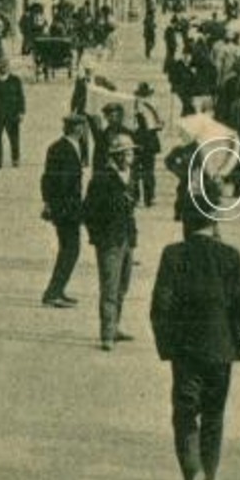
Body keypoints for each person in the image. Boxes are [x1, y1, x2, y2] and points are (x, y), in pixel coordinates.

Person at [150, 206, 240, 480]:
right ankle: (209, 472)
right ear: (213, 224)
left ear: (186, 225)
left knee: (185, 411)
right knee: (213, 412)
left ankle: (192, 471)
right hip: (222, 350)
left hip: (186, 351)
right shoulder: (231, 256)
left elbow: (160, 306)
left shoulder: (172, 255)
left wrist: (167, 347)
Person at [83, 132, 140, 351]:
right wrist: (99, 237)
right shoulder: (102, 178)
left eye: (131, 152)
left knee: (122, 287)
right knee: (109, 287)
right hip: (109, 241)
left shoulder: (129, 175)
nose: (131, 155)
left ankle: (115, 327)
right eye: (127, 153)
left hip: (126, 238)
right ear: (116, 155)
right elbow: (89, 210)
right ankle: (107, 334)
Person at [40, 114, 90, 308]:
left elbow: (46, 179)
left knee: (69, 250)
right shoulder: (63, 149)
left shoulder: (63, 147)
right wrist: (54, 205)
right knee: (71, 250)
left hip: (65, 207)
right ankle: (53, 292)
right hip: (66, 209)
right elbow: (56, 181)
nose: (84, 131)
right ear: (76, 129)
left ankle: (57, 290)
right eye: (82, 127)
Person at [131, 82, 164, 208]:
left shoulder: (133, 104)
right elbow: (160, 125)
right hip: (150, 140)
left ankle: (135, 197)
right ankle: (149, 197)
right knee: (149, 170)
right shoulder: (153, 106)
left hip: (137, 139)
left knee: (135, 170)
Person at [0, 58, 25, 168]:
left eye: (5, 66)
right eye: (1, 66)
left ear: (9, 67)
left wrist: (21, 112)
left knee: (14, 137)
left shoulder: (16, 80)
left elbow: (21, 97)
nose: (3, 68)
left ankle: (15, 159)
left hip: (12, 114)